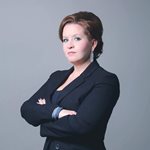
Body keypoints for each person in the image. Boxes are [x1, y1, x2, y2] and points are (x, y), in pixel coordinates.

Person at [20, 11, 120, 150]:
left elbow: (81, 126)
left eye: (77, 38)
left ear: (93, 43)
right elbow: (27, 109)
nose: (69, 45)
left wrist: (43, 122)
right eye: (65, 39)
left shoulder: (105, 80)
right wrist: (57, 112)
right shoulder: (57, 77)